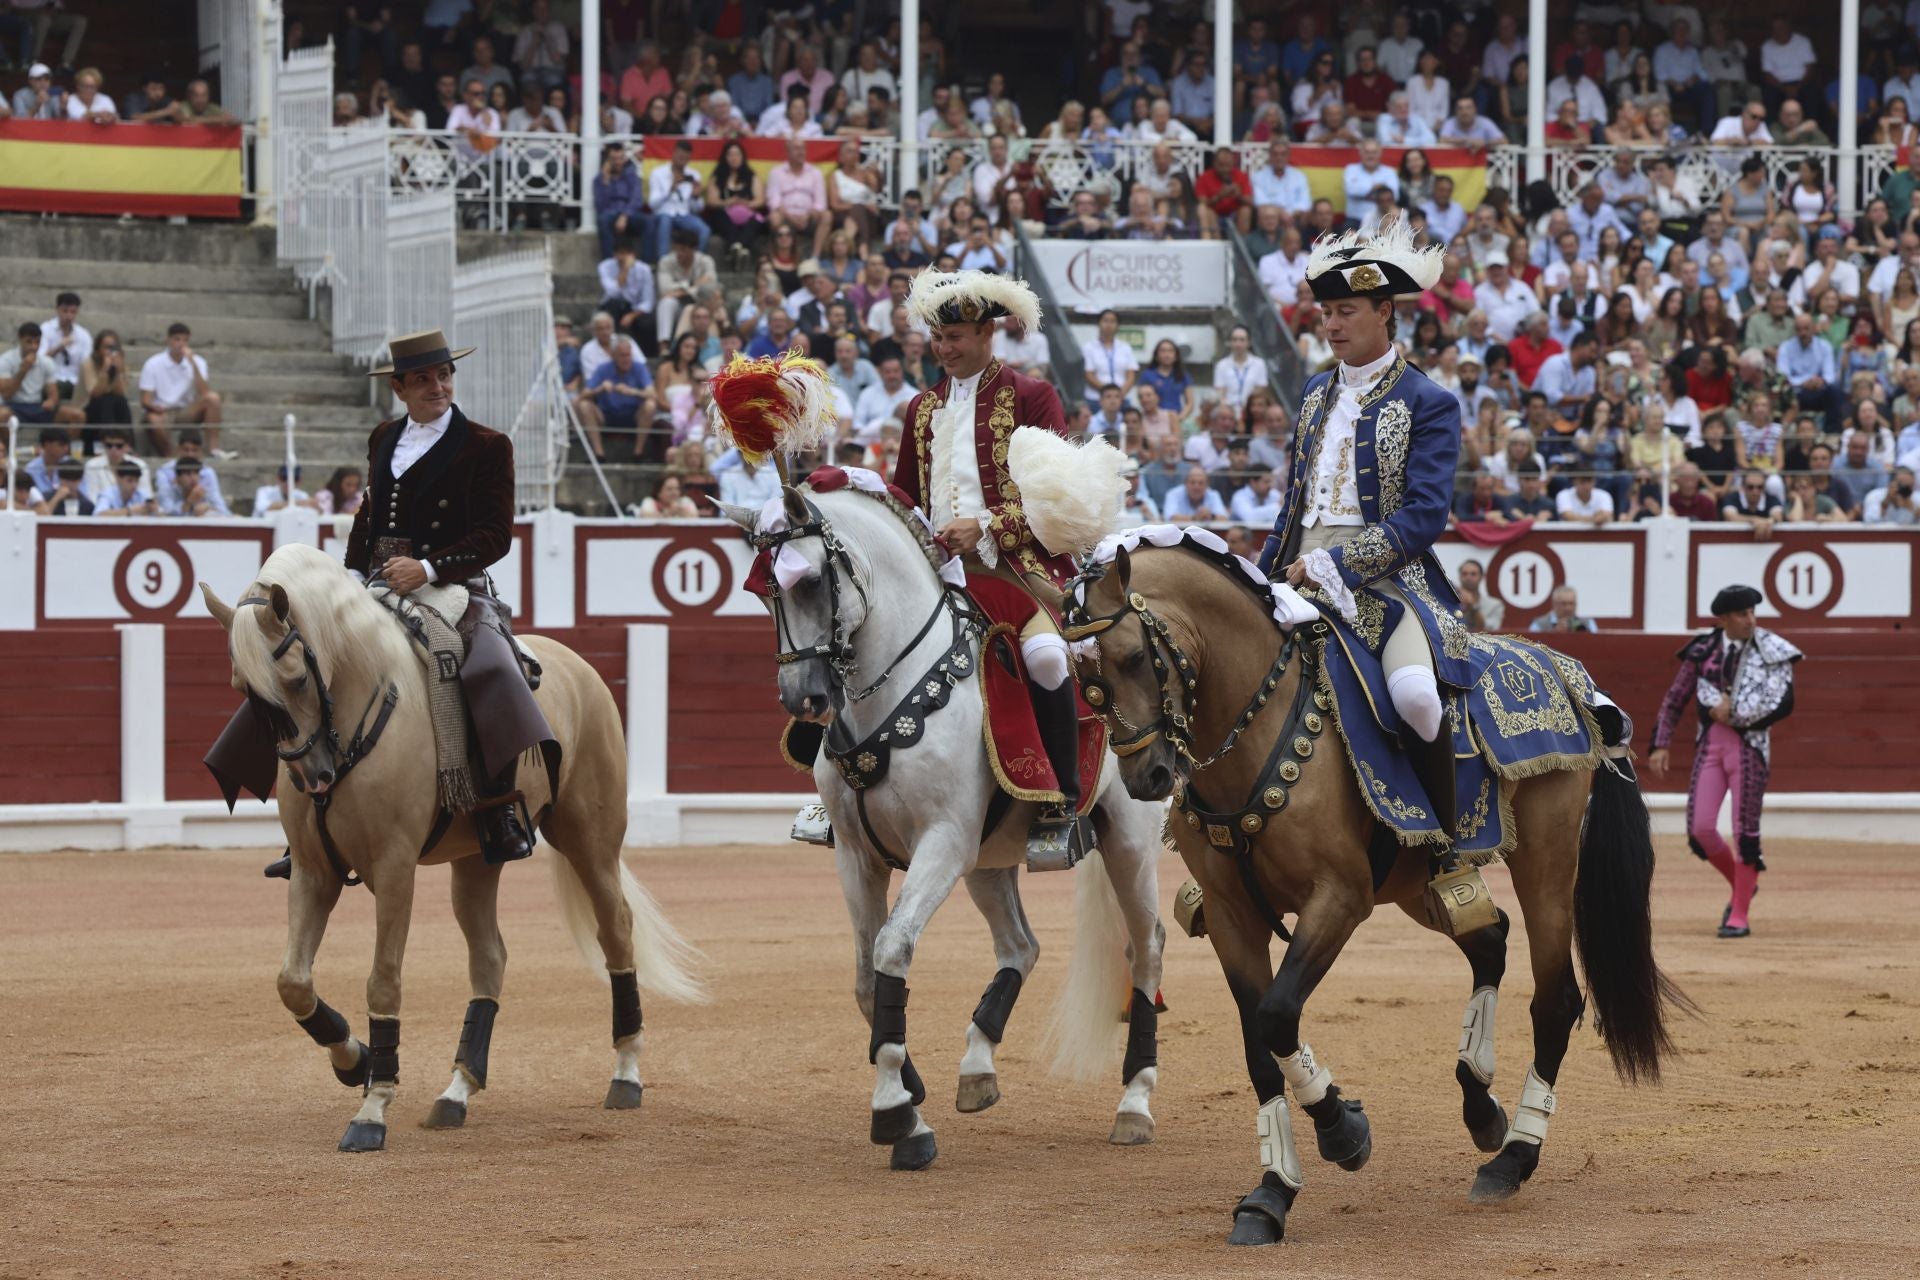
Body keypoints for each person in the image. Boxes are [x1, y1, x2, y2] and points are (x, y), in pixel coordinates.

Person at [1256, 214, 1474, 877]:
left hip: (1389, 583)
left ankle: (1446, 850)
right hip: (1299, 571)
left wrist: (1337, 564)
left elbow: (1424, 517)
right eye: (1326, 311)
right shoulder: (1316, 392)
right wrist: (1258, 575)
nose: (1331, 324)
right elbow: (1294, 506)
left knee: (1414, 696)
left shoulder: (1428, 401)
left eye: (1346, 310)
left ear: (1386, 311)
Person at [882, 269, 1100, 864]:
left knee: (1049, 655)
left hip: (1015, 568)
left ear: (987, 333)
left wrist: (985, 527)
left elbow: (1061, 501)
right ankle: (846, 792)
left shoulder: (1032, 396)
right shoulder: (920, 409)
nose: (944, 349)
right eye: (936, 338)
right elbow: (905, 493)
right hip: (936, 576)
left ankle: (1062, 800)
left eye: (954, 336)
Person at [331, 328, 554, 870]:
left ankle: (498, 810)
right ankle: (310, 810)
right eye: (425, 379)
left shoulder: (487, 444)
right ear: (400, 388)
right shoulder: (384, 437)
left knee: (494, 670)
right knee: (312, 657)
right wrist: (351, 578)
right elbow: (369, 515)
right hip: (379, 583)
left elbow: (495, 536)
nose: (439, 386)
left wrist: (428, 566)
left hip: (453, 586)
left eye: (445, 375)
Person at [1650, 584, 1802, 938]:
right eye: (1742, 614)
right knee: (1701, 829)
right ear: (1724, 619)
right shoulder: (1703, 650)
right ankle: (1743, 888)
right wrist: (1660, 743)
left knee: (1745, 829)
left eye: (1753, 612)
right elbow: (1675, 698)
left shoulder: (1771, 649)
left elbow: (1784, 701)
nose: (1751, 620)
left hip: (1749, 748)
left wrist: (1736, 715)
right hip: (1712, 747)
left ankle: (1740, 915)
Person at [155, 430, 229, 516]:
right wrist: (189, 502)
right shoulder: (164, 471)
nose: (190, 454)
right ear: (178, 450)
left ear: (200, 451)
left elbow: (220, 507)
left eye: (194, 450)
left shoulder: (208, 472)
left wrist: (208, 507)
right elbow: (165, 509)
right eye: (186, 450)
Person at [1528, 585, 1598, 632]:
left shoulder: (1588, 623)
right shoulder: (1539, 624)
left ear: (1576, 604)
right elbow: (1530, 648)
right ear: (1554, 604)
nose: (1568, 608)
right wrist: (1554, 634)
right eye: (1563, 604)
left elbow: (1597, 643)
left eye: (1571, 603)